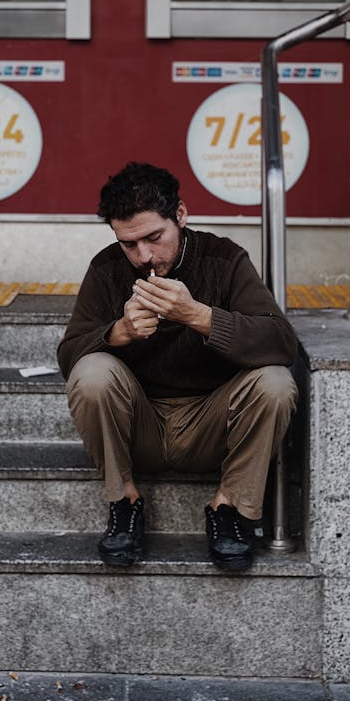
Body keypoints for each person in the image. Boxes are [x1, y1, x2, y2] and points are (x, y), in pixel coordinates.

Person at [57, 161, 300, 572]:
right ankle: (124, 501)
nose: (143, 256)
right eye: (128, 244)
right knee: (92, 372)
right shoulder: (106, 268)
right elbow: (69, 358)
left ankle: (229, 508)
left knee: (276, 383)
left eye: (154, 237)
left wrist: (198, 315)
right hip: (140, 427)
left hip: (213, 426)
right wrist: (119, 332)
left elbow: (281, 342)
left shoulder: (224, 258)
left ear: (181, 216)